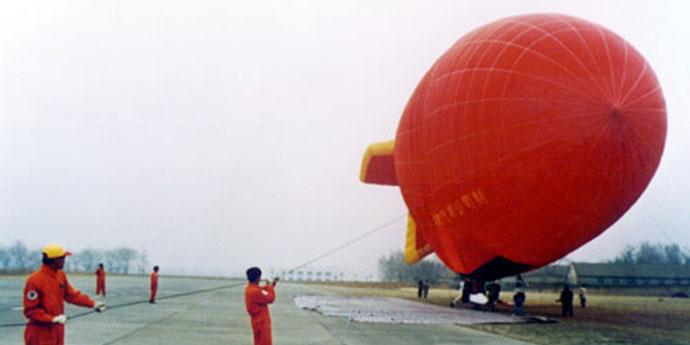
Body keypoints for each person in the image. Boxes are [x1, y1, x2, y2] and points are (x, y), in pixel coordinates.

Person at [23, 244, 106, 345]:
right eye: (62, 258)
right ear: (53, 259)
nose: (64, 260)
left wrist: (93, 304)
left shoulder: (60, 275)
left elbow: (72, 295)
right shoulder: (34, 280)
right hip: (40, 333)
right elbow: (30, 311)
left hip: (57, 330)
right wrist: (52, 319)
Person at [245, 267, 278, 345]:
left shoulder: (250, 288)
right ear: (258, 278)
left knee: (259, 342)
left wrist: (272, 284)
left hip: (257, 321)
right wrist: (269, 286)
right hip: (262, 322)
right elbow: (270, 298)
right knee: (265, 343)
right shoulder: (255, 291)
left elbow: (263, 291)